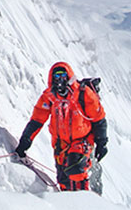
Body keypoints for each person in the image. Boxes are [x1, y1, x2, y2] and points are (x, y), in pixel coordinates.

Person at [15, 62, 108, 191]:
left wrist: (101, 143)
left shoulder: (83, 93)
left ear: (69, 76)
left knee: (76, 170)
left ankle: (85, 203)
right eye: (56, 77)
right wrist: (26, 140)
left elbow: (99, 118)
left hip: (82, 140)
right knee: (63, 179)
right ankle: (67, 207)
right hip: (60, 143)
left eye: (63, 75)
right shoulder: (49, 97)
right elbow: (37, 119)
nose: (60, 80)